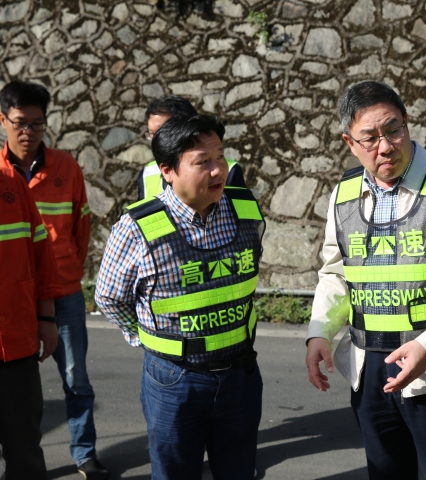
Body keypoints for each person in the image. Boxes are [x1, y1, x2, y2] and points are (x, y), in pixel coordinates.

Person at [305, 81, 426, 480]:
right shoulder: (343, 193)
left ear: (407, 123)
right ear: (349, 142)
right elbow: (335, 272)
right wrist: (320, 332)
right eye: (370, 137)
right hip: (368, 370)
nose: (385, 146)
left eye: (394, 130)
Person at [95, 114, 265, 479]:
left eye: (220, 156)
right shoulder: (138, 227)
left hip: (240, 375)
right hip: (175, 380)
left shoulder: (244, 209)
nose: (218, 170)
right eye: (203, 162)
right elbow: (109, 297)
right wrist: (147, 335)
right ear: (168, 171)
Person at [0, 81, 108, 479]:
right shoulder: (3, 173)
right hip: (13, 300)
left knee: (76, 379)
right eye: (20, 123)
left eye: (37, 124)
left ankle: (84, 454)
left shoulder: (66, 168)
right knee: (17, 394)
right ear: (3, 121)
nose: (28, 132)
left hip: (61, 294)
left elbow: (82, 226)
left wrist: (67, 269)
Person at [0, 162, 61, 479]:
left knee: (24, 453)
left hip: (16, 343)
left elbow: (41, 253)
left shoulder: (12, 181)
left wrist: (46, 317)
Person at [137, 95, 245, 200]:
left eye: (165, 131)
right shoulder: (147, 173)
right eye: (152, 133)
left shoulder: (230, 170)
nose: (157, 140)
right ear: (166, 171)